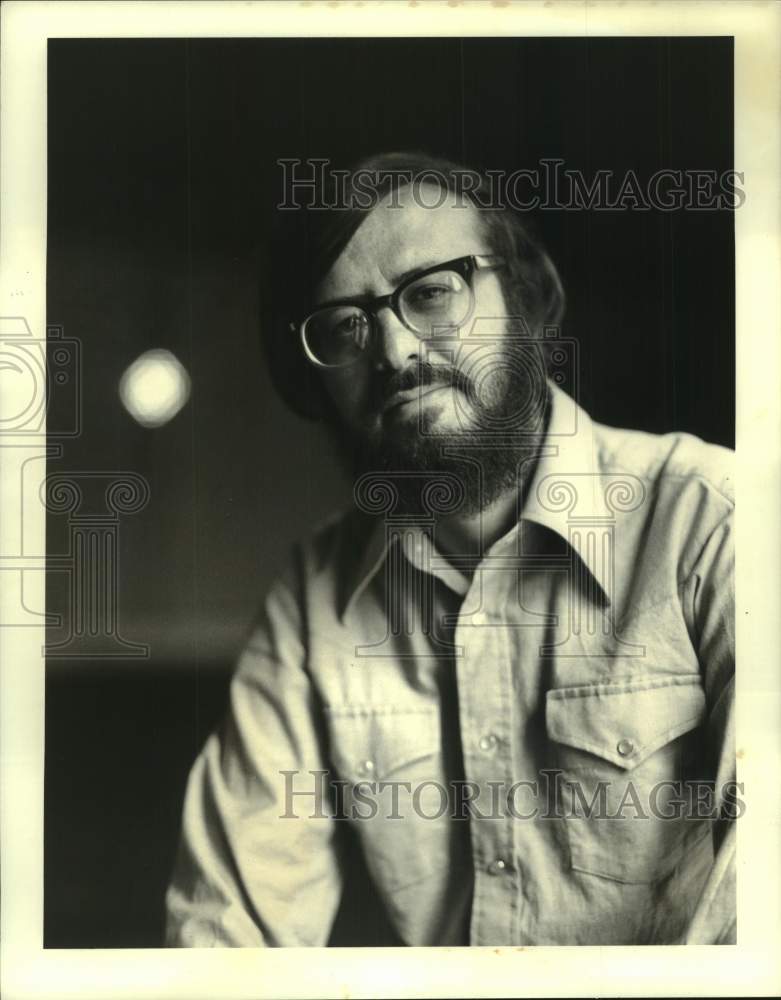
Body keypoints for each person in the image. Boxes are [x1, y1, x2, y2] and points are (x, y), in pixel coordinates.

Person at [165, 152, 735, 947]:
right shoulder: (312, 601)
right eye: (343, 327)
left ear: (526, 300)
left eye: (431, 292)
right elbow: (228, 933)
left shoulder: (713, 521)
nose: (393, 352)